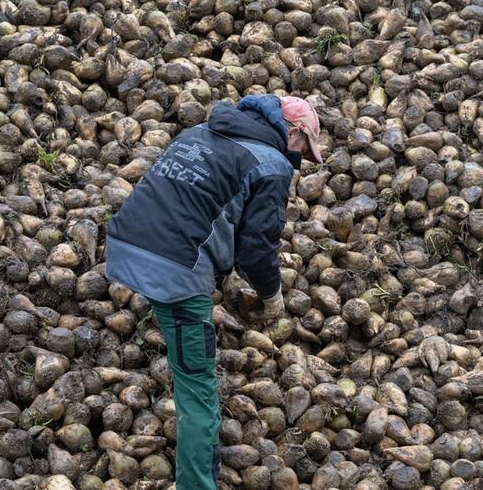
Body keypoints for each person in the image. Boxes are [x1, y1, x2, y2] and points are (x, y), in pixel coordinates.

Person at [105, 94, 321, 489]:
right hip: (174, 269)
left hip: (125, 242)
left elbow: (185, 202)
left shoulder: (199, 131)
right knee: (197, 388)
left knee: (180, 321)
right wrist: (271, 296)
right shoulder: (270, 163)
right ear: (292, 131)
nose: (303, 159)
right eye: (305, 147)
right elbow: (257, 249)